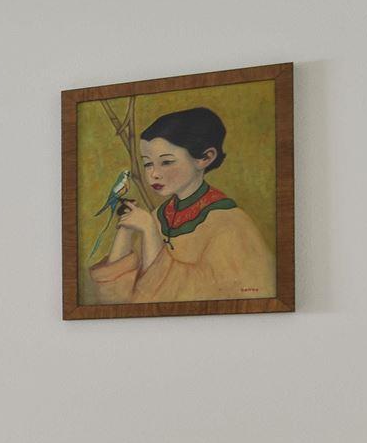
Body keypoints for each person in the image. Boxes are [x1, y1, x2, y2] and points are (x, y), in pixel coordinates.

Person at [89, 105, 273, 304]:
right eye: (148, 163)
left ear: (205, 158)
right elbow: (115, 300)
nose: (153, 174)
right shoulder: (158, 215)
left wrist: (150, 232)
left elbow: (190, 298)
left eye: (166, 162)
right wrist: (125, 231)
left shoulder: (230, 223)